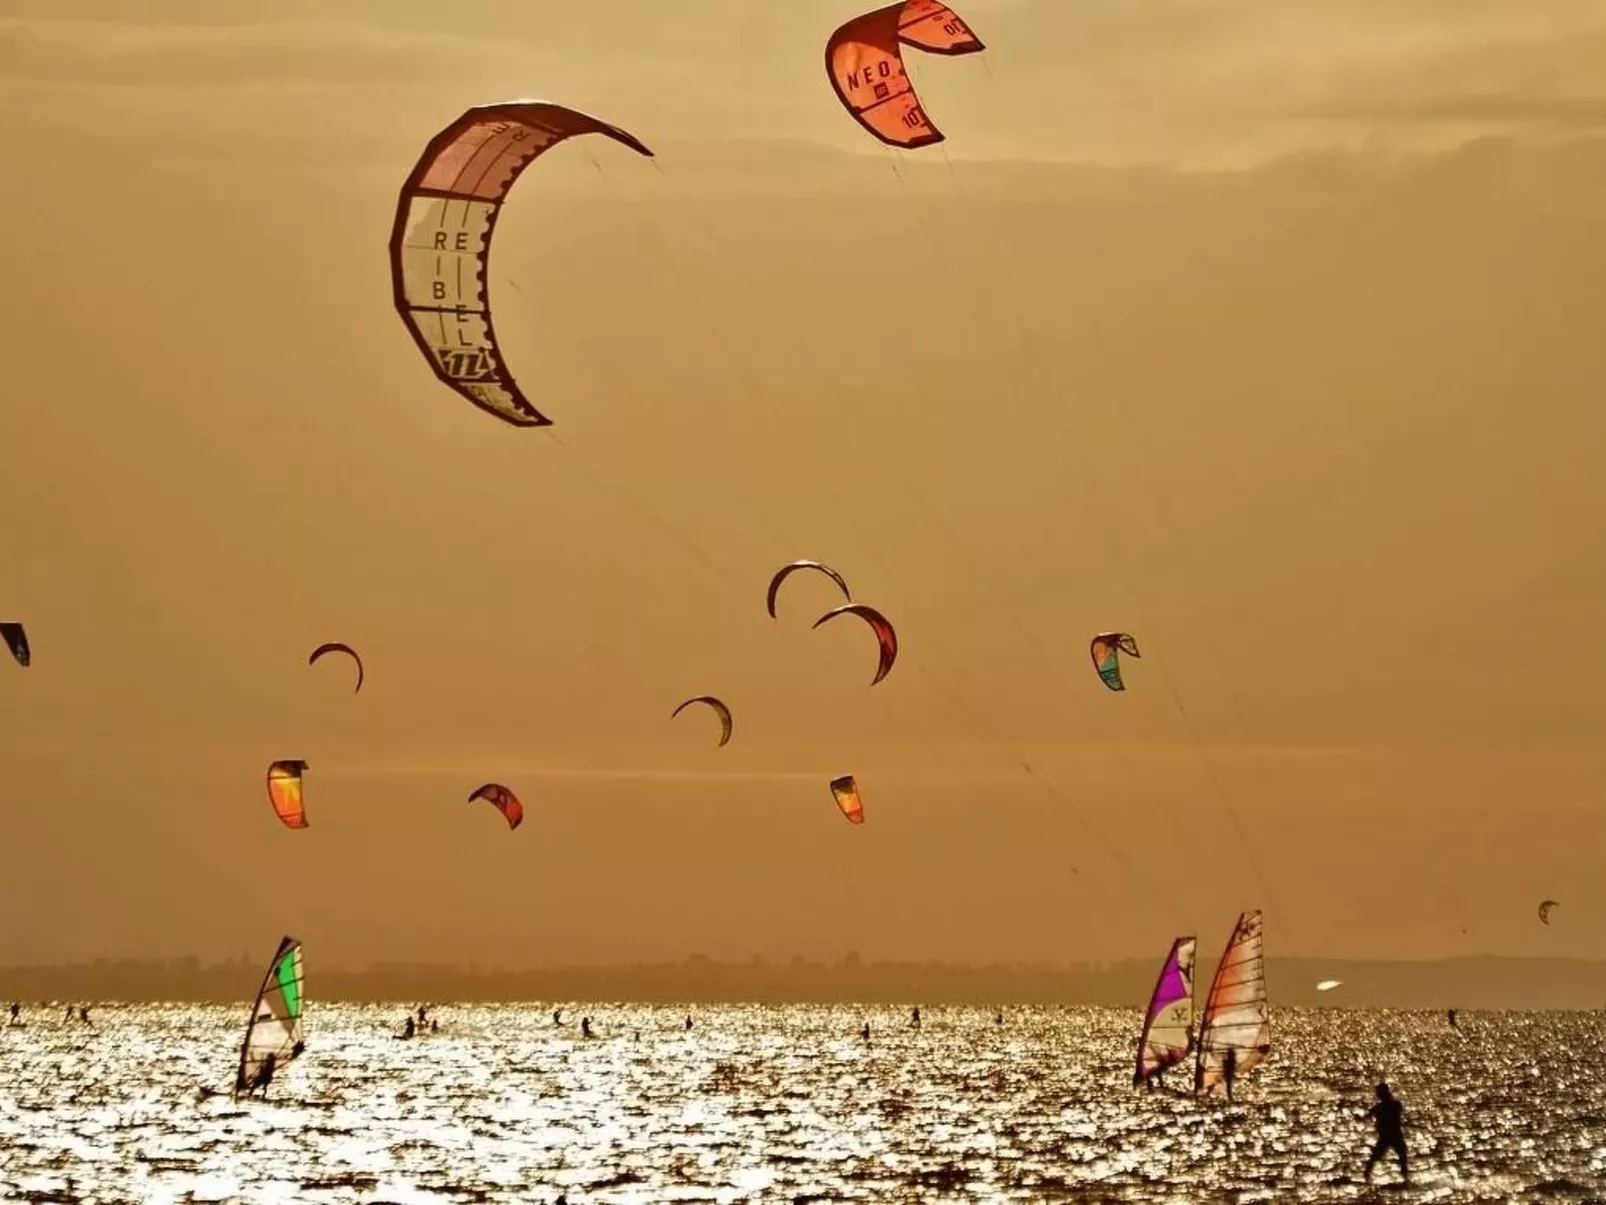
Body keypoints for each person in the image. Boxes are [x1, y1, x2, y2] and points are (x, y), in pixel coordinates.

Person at [1365, 1082, 1408, 1184]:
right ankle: (1405, 1178)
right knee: (1401, 1156)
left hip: (1390, 1135)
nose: (1377, 1095)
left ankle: (1367, 1176)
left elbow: (1369, 1115)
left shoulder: (1385, 1106)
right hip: (1391, 1136)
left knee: (1376, 1157)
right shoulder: (1391, 1105)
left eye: (1378, 1093)